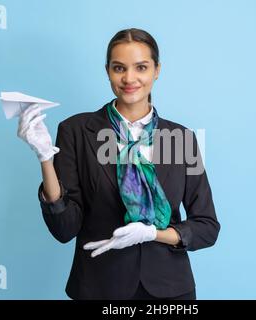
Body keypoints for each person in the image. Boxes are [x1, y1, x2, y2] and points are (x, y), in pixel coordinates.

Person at [17, 28, 220, 300]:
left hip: (170, 290)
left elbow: (207, 227)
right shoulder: (76, 131)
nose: (129, 78)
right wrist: (45, 159)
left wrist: (153, 234)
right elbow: (65, 229)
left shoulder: (181, 139)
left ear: (157, 70)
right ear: (108, 71)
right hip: (99, 287)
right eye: (119, 68)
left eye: (141, 67)